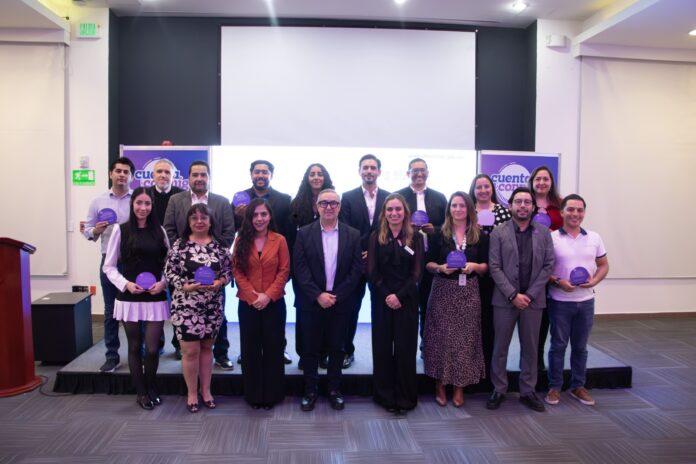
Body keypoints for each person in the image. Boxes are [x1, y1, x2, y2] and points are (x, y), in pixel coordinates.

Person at [294, 189, 362, 411]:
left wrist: (336, 296)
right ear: (317, 207)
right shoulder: (304, 233)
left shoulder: (353, 234)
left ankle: (334, 390)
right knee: (310, 349)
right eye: (324, 203)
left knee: (337, 348)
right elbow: (300, 268)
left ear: (339, 207)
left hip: (341, 302)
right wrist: (318, 295)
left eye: (333, 203)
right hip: (311, 302)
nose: (329, 207)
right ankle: (310, 390)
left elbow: (356, 270)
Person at [486, 187, 554, 412]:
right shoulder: (498, 232)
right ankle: (499, 389)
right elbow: (494, 266)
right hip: (504, 300)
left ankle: (527, 390)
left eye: (527, 202)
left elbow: (548, 265)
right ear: (510, 205)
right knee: (500, 347)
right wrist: (513, 295)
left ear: (533, 207)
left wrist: (530, 294)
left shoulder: (544, 232)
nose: (523, 206)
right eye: (518, 202)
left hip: (533, 301)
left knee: (531, 348)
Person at [163, 160, 236, 369]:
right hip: (184, 270)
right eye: (195, 175)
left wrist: (213, 254)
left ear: (209, 178)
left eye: (203, 175)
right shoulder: (176, 200)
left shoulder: (221, 202)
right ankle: (183, 348)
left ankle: (221, 353)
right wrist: (186, 252)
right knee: (182, 313)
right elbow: (169, 229)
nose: (199, 178)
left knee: (219, 314)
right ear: (188, 178)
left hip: (214, 271)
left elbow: (229, 233)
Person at [103, 187, 169, 409]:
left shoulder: (160, 231)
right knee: (134, 346)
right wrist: (126, 284)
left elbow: (169, 264)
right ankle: (141, 392)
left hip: (155, 296)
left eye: (147, 203)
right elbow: (109, 266)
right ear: (132, 205)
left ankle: (151, 386)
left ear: (152, 206)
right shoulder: (120, 230)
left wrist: (163, 282)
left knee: (152, 349)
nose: (143, 207)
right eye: (139, 203)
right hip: (129, 296)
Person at [164, 203, 232, 413]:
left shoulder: (220, 246)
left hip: (212, 306)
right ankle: (192, 393)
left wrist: (220, 282)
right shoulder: (179, 245)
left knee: (206, 348)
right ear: (188, 222)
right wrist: (183, 285)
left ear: (211, 222)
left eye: (204, 218)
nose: (199, 221)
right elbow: (169, 272)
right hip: (185, 305)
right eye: (194, 218)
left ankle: (206, 391)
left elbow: (229, 271)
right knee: (190, 351)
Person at [423, 192, 488, 407]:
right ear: (449, 209)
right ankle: (440, 385)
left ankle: (459, 386)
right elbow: (428, 263)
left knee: (465, 340)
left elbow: (486, 266)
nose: (458, 209)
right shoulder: (438, 234)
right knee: (441, 339)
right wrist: (440, 268)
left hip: (469, 292)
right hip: (443, 291)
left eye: (462, 205)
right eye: (454, 205)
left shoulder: (480, 235)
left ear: (469, 209)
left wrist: (475, 266)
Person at [545, 194, 609, 407]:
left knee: (581, 347)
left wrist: (595, 281)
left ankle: (577, 386)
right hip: (559, 301)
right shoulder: (552, 238)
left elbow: (604, 265)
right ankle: (554, 387)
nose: (575, 214)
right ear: (562, 212)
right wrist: (558, 281)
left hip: (586, 302)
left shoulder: (594, 238)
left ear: (584, 213)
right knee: (558, 346)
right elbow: (543, 270)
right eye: (571, 209)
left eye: (580, 210)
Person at [367, 193, 423, 414]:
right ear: (384, 213)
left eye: (398, 209)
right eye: (389, 209)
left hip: (406, 300)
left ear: (405, 212)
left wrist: (399, 296)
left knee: (405, 349)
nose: (394, 213)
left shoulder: (416, 237)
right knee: (382, 348)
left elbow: (417, 273)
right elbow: (372, 271)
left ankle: (405, 397)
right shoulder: (375, 236)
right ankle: (385, 396)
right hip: (382, 300)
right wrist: (387, 295)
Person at [232, 198, 290, 409]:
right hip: (248, 303)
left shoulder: (280, 240)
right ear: (249, 218)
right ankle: (253, 395)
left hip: (274, 303)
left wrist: (268, 295)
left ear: (270, 216)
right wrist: (252, 295)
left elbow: (284, 270)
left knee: (274, 348)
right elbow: (237, 270)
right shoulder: (241, 239)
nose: (259, 219)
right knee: (250, 349)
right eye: (255, 215)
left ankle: (273, 395)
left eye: (263, 214)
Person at [233, 159, 293, 365]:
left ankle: (280, 350)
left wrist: (271, 292)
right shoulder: (239, 198)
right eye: (257, 171)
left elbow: (289, 234)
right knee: (250, 342)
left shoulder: (284, 200)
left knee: (274, 338)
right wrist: (238, 216)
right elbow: (232, 232)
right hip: (248, 277)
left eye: (264, 172)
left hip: (274, 269)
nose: (260, 175)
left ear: (271, 175)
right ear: (251, 174)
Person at [83, 157, 135, 373]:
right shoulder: (98, 201)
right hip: (109, 261)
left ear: (131, 176)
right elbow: (87, 229)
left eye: (126, 172)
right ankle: (112, 356)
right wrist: (95, 230)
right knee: (110, 310)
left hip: (134, 262)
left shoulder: (138, 200)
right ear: (110, 174)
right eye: (118, 171)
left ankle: (138, 353)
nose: (122, 175)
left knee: (135, 310)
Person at [339, 154, 390, 368]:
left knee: (382, 310)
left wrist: (374, 252)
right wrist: (362, 251)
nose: (369, 171)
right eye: (365, 167)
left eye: (373, 167)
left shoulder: (389, 197)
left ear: (379, 171)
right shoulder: (347, 197)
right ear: (359, 171)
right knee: (351, 309)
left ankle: (383, 354)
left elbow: (390, 229)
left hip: (382, 263)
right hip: (356, 262)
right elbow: (345, 229)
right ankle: (346, 351)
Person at [395, 158, 447, 355]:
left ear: (427, 173)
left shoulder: (439, 198)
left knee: (429, 304)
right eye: (414, 170)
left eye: (422, 170)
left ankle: (427, 344)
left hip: (431, 259)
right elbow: (390, 224)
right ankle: (404, 346)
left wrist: (435, 229)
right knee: (405, 303)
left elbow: (448, 227)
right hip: (405, 259)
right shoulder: (398, 197)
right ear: (408, 173)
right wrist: (407, 229)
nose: (419, 173)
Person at [289, 163, 335, 368]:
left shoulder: (334, 202)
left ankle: (323, 354)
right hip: (303, 269)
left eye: (320, 174)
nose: (316, 177)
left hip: (328, 267)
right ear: (307, 178)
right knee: (305, 312)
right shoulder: (296, 204)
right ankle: (305, 354)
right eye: (312, 174)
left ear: (325, 177)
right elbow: (291, 236)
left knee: (327, 312)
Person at [469, 173, 512, 383]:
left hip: (496, 273)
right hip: (471, 272)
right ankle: (470, 363)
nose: (483, 190)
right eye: (479, 187)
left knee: (490, 320)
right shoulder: (468, 211)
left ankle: (488, 365)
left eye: (486, 186)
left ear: (492, 189)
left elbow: (509, 239)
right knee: (471, 320)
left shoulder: (504, 212)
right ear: (473, 190)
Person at [147, 158, 184, 356]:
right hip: (152, 256)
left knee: (178, 300)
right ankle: (157, 343)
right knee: (155, 302)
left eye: (167, 172)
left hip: (176, 255)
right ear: (153, 175)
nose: (163, 175)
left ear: (173, 176)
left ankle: (179, 344)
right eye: (159, 171)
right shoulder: (145, 195)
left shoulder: (181, 196)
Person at [528, 165, 563, 370]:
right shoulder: (525, 202)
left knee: (548, 315)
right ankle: (531, 357)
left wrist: (553, 234)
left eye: (546, 179)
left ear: (551, 182)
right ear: (532, 182)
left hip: (554, 264)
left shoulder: (560, 204)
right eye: (538, 179)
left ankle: (541, 357)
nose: (542, 183)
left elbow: (568, 229)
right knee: (532, 316)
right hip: (529, 265)